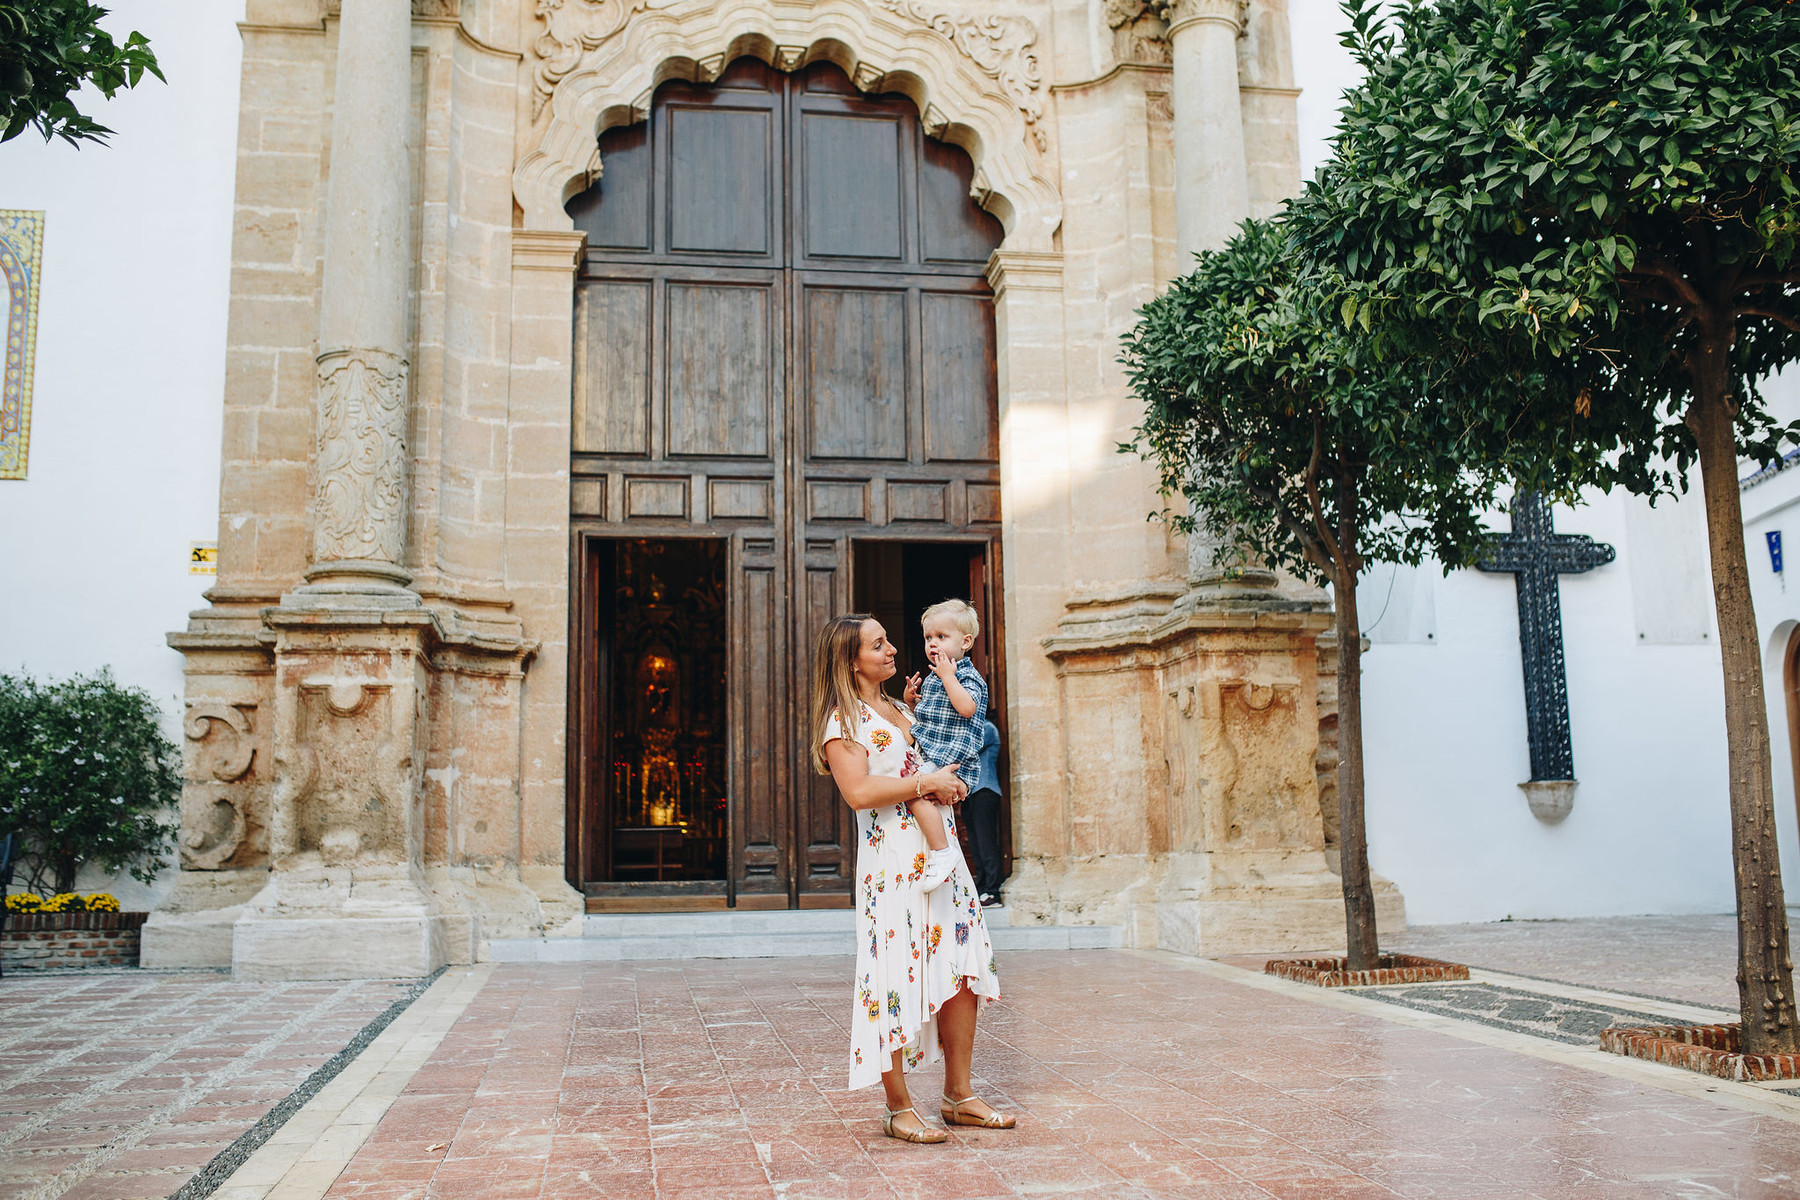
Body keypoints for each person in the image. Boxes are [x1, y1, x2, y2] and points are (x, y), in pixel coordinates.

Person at [811, 613, 1016, 1143]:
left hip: (941, 856)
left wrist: (950, 785)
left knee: (958, 966)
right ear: (850, 660)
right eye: (877, 645)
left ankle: (959, 1095)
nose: (892, 649)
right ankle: (898, 1106)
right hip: (894, 865)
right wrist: (925, 780)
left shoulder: (905, 708)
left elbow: (938, 757)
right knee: (893, 975)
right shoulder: (844, 722)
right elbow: (858, 793)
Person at [901, 599, 988, 893]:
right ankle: (934, 850)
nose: (932, 644)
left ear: (965, 641)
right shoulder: (937, 678)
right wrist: (914, 702)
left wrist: (949, 677)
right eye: (928, 637)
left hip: (952, 756)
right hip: (933, 751)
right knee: (916, 793)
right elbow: (931, 718)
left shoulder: (964, 675)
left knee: (914, 792)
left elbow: (966, 708)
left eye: (941, 637)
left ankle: (943, 851)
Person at [964, 718, 1005, 907]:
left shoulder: (988, 728)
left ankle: (993, 890)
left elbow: (967, 750)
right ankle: (981, 888)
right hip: (970, 794)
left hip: (985, 791)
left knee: (985, 840)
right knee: (975, 842)